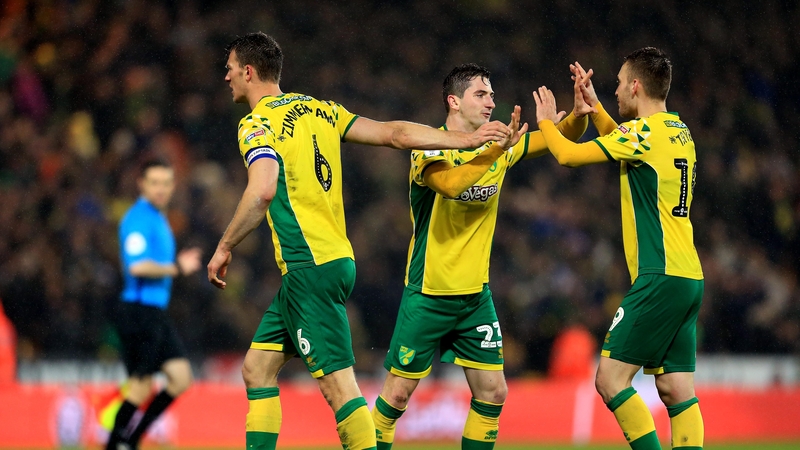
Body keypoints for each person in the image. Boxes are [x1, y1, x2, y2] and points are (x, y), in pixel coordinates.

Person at [205, 32, 516, 450]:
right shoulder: (320, 109)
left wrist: (225, 245)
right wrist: (461, 139)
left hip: (307, 266)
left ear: (248, 71)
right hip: (334, 261)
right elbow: (395, 135)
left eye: (228, 69)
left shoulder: (256, 124)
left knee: (341, 392)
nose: (225, 78)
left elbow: (262, 190)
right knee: (256, 369)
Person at [370, 63, 593, 450]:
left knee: (492, 393)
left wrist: (576, 115)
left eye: (492, 94)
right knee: (397, 397)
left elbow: (563, 139)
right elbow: (451, 185)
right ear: (453, 101)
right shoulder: (431, 144)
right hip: (429, 293)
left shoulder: (500, 144)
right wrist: (493, 152)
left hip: (475, 297)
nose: (491, 101)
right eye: (481, 94)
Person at [533, 47, 704, 450]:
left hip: (658, 277)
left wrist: (546, 124)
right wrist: (593, 111)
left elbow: (568, 156)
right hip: (688, 277)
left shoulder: (642, 134)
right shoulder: (677, 130)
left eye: (617, 84)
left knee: (609, 380)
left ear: (636, 86)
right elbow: (627, 141)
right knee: (677, 389)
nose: (613, 91)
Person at [107, 160, 202, 450]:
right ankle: (116, 444)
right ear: (142, 185)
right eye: (154, 182)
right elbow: (136, 267)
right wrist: (177, 268)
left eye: (166, 183)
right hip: (138, 311)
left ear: (173, 186)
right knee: (140, 386)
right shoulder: (137, 219)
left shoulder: (158, 218)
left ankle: (131, 440)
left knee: (181, 377)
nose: (160, 189)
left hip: (154, 313)